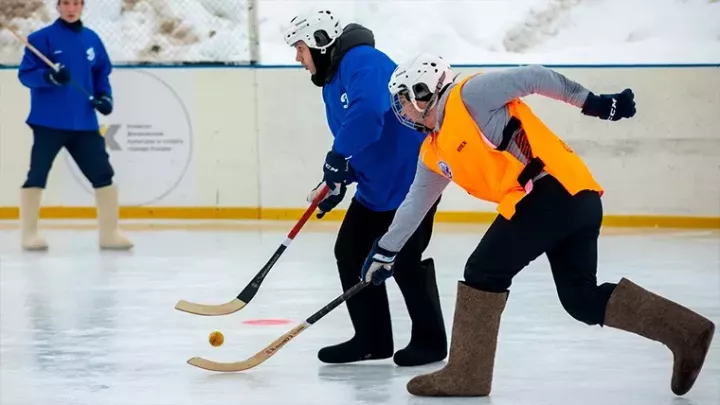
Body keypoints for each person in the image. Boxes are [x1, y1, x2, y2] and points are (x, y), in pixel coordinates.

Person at [360, 53, 715, 397]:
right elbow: (415, 204)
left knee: (483, 271)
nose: (401, 110)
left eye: (403, 99)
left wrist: (593, 103)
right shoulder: (434, 151)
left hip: (552, 192)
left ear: (424, 90)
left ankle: (467, 375)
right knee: (580, 299)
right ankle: (687, 332)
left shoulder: (468, 95)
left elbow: (534, 76)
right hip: (573, 200)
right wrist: (385, 251)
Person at [282, 11, 447, 366]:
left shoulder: (363, 61)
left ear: (320, 41)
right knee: (351, 251)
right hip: (376, 186)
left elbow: (370, 115)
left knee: (404, 259)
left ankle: (431, 342)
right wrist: (340, 178)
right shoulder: (331, 81)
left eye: (299, 48)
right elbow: (368, 139)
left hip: (411, 183)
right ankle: (372, 338)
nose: (297, 57)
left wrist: (337, 157)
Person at [17, 0, 133, 251]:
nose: (71, 8)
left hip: (84, 123)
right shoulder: (40, 39)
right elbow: (25, 75)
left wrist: (105, 97)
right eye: (66, 3)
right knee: (37, 174)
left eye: (76, 3)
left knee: (103, 173)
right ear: (58, 7)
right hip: (48, 122)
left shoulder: (92, 39)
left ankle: (110, 234)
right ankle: (29, 234)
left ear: (82, 7)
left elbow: (101, 74)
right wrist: (48, 76)